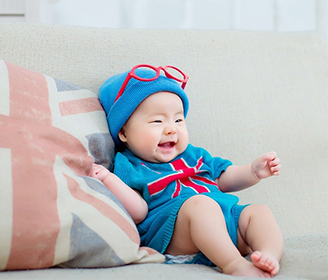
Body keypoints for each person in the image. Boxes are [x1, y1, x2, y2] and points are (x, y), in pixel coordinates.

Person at [90, 64, 283, 277]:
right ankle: (234, 265)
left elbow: (224, 180)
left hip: (228, 226)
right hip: (177, 234)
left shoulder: (194, 155)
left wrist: (253, 172)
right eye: (157, 120)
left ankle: (269, 254)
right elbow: (138, 212)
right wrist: (108, 178)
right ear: (124, 132)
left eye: (178, 119)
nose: (171, 128)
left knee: (259, 212)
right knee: (200, 205)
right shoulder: (129, 165)